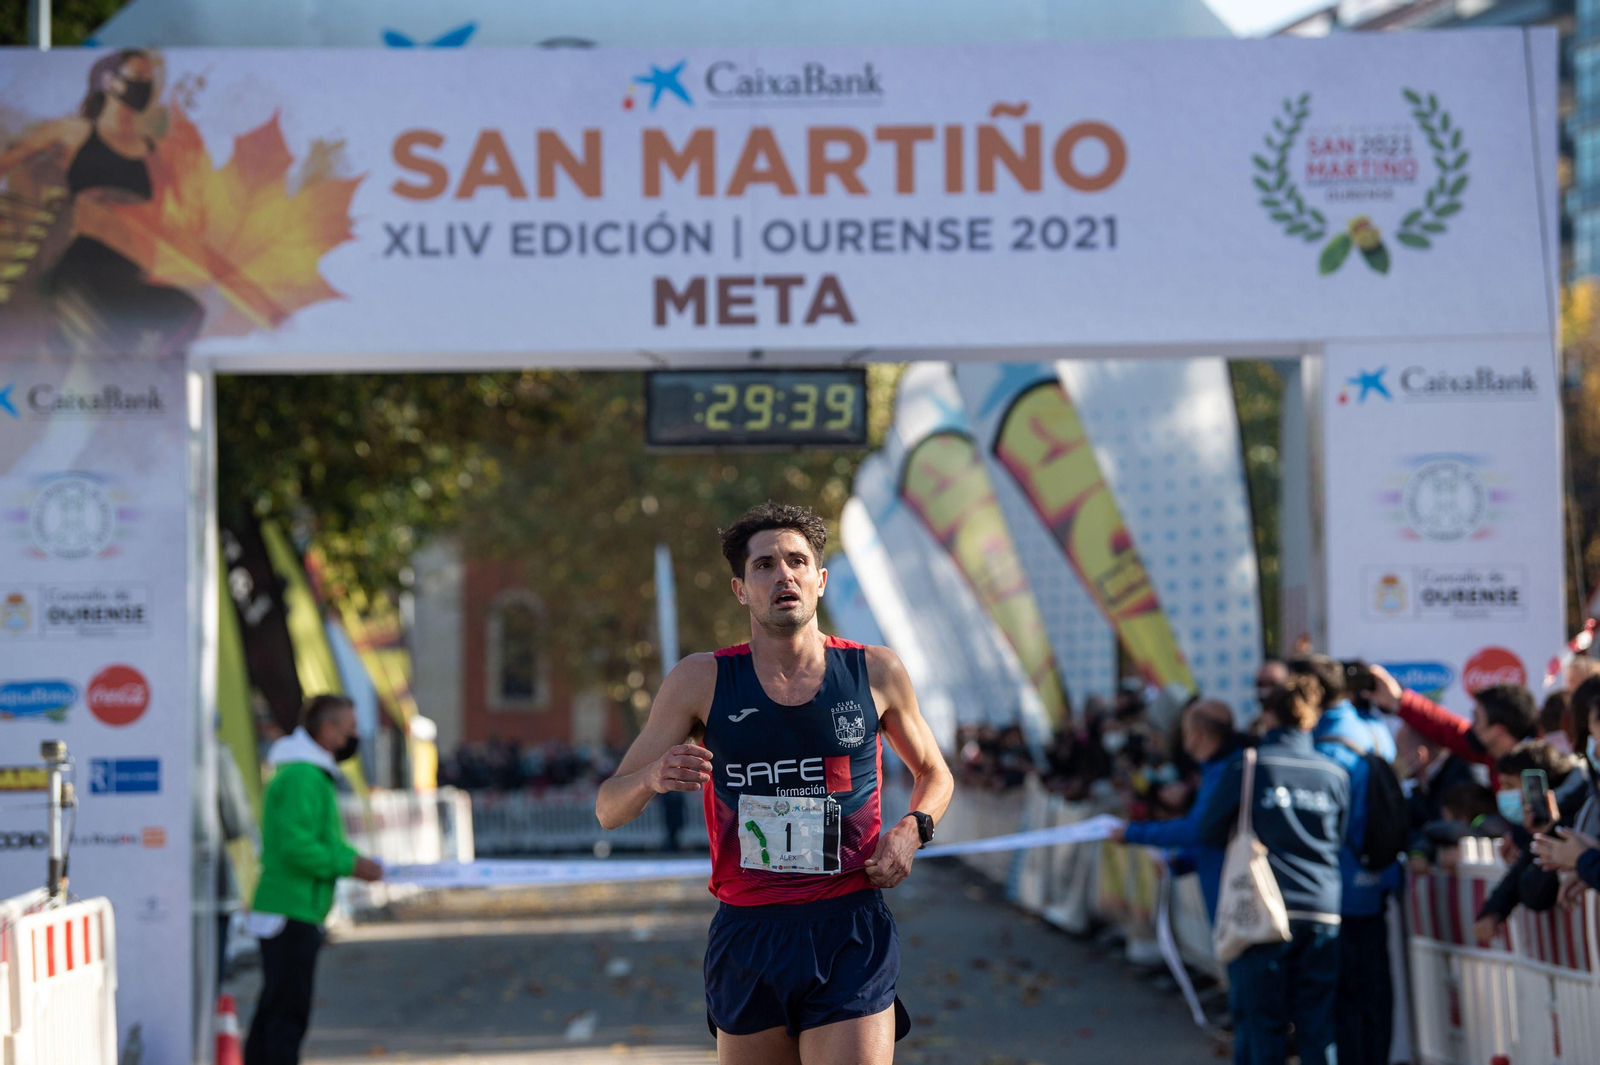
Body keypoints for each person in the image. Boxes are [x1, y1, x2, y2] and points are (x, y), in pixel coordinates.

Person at [595, 502, 953, 1065]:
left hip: (849, 925)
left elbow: (934, 771)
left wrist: (913, 829)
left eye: (796, 561)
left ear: (819, 580)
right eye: (764, 565)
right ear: (741, 589)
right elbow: (608, 809)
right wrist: (652, 777)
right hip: (750, 933)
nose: (783, 574)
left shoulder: (874, 671)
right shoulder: (702, 679)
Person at [0, 48, 202, 354]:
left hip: (132, 269)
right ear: (109, 80)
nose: (143, 86)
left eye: (149, 80)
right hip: (81, 260)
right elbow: (11, 159)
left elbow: (183, 212)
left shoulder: (155, 149)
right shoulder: (76, 131)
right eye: (137, 77)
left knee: (186, 316)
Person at [1198, 674, 1348, 1065]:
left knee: (1262, 1029)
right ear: (1310, 721)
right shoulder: (1335, 774)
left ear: (1267, 717)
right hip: (1322, 909)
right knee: (1318, 1028)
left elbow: (1207, 830)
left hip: (1263, 911)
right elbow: (1340, 838)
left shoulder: (1249, 767)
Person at [245, 695, 383, 1065]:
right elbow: (297, 845)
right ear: (328, 729)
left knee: (275, 1009)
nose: (354, 737)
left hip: (291, 905)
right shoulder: (305, 776)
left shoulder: (303, 772)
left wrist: (347, 861)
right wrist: (349, 864)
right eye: (350, 728)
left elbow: (307, 840)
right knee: (288, 1014)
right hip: (293, 907)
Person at [1291, 656, 1397, 1065]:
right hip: (1376, 881)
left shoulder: (1324, 747)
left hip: (1337, 890)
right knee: (1374, 999)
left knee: (1342, 1007)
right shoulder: (1374, 729)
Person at [1110, 700, 1247, 920]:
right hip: (1227, 888)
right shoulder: (1221, 768)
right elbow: (1216, 834)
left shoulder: (1229, 771)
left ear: (1195, 734)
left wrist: (1132, 833)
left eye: (1184, 731)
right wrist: (1182, 862)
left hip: (1234, 894)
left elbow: (1198, 829)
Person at [1368, 665, 1537, 790]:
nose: (1471, 727)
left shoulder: (1536, 770)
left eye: (1477, 719)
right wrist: (1398, 701)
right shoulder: (1494, 756)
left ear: (1498, 731)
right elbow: (1447, 728)